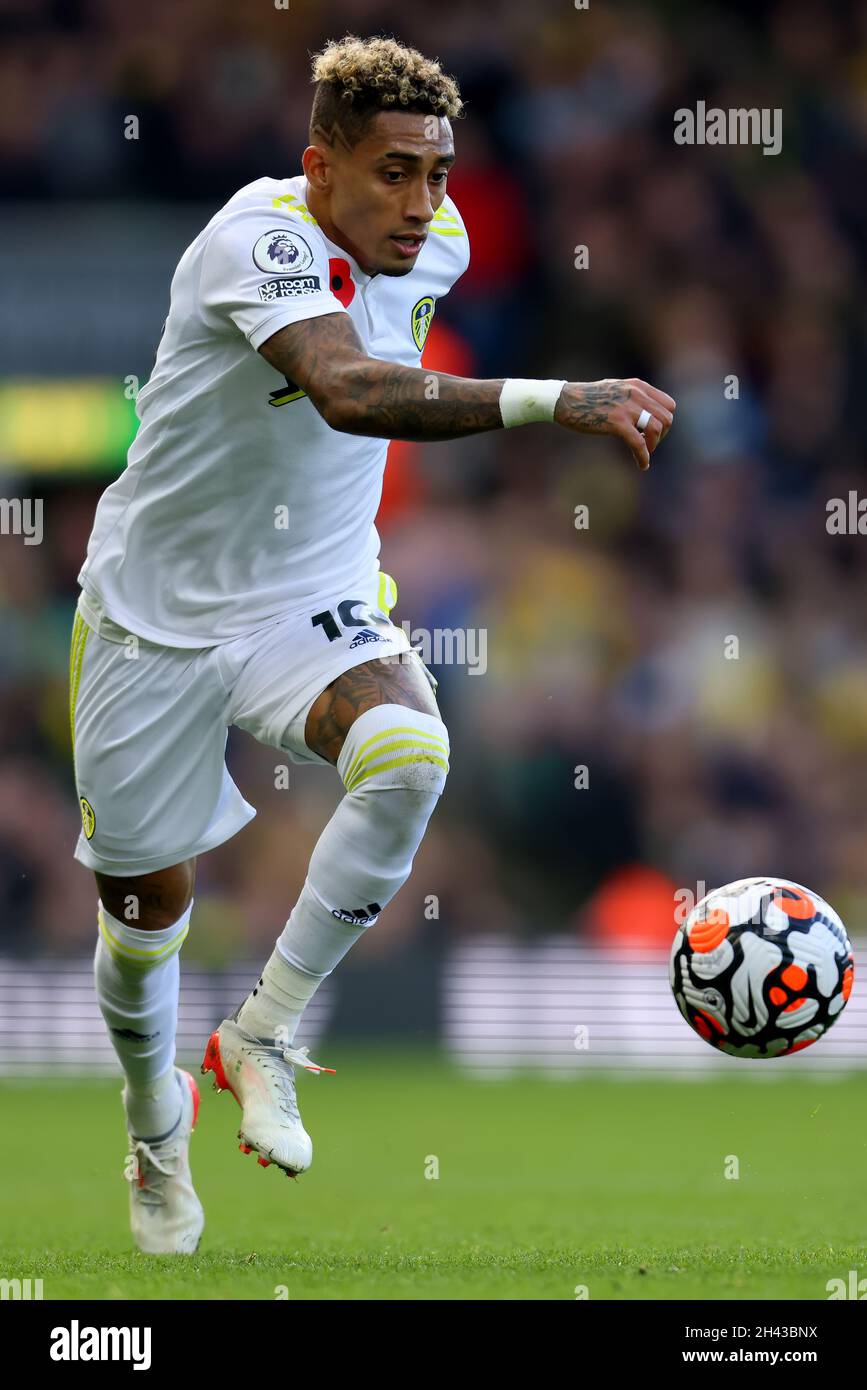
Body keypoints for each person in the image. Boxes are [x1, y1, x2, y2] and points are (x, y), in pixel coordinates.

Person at [69, 32, 675, 1254]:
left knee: (409, 752)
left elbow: (367, 406)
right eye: (394, 172)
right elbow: (347, 388)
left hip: (311, 593)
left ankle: (264, 1030)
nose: (423, 204)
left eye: (440, 173)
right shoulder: (259, 237)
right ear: (319, 166)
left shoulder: (435, 249)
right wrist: (559, 400)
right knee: (141, 928)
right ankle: (152, 1123)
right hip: (152, 618)